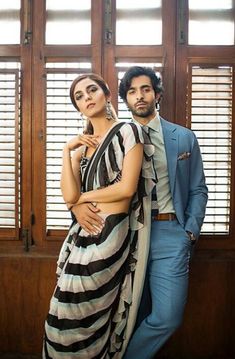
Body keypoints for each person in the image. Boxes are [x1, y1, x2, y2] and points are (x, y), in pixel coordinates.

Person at [43, 73, 155, 358]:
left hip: (109, 237)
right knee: (61, 316)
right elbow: (69, 196)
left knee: (88, 315)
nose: (87, 98)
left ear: (106, 94)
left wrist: (83, 199)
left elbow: (127, 188)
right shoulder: (82, 145)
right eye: (79, 97)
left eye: (92, 90)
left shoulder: (128, 131)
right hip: (81, 237)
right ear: (78, 107)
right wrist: (69, 152)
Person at [118, 66, 208, 358]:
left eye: (145, 89)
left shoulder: (183, 138)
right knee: (124, 315)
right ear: (126, 99)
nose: (139, 96)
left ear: (156, 94)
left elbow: (198, 190)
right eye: (132, 91)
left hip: (171, 234)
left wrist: (189, 232)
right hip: (127, 235)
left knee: (168, 316)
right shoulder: (116, 140)